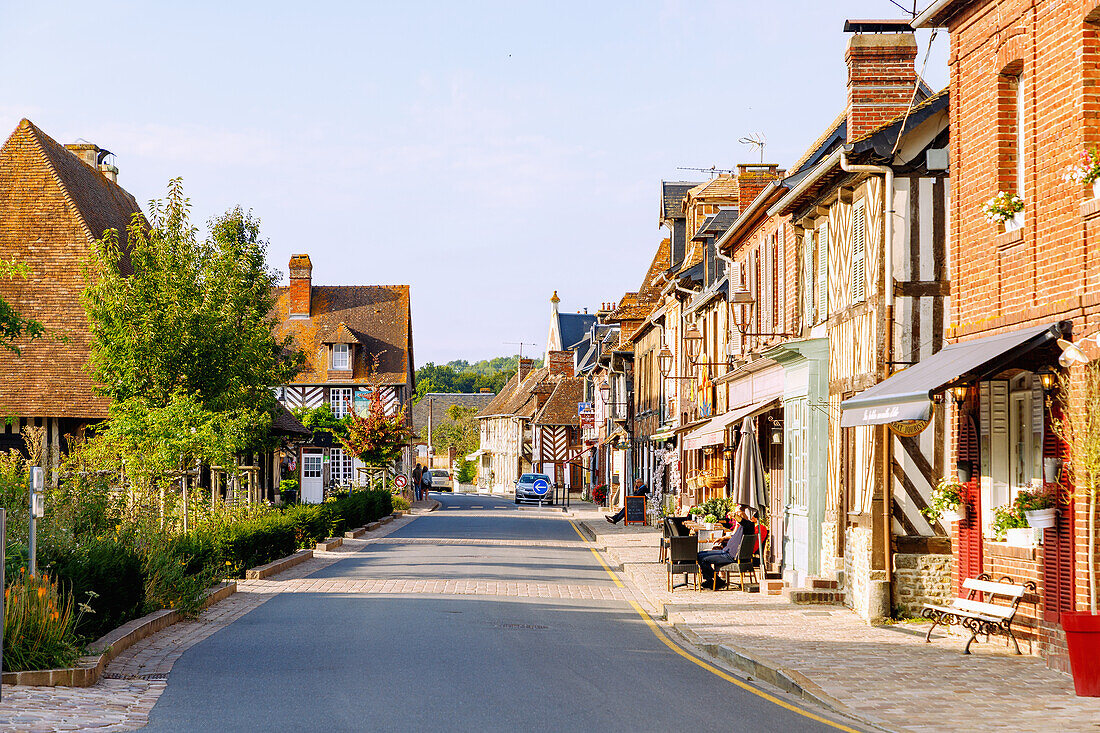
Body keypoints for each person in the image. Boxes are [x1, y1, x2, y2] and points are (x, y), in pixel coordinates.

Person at [697, 506, 756, 589]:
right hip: (725, 551)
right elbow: (733, 535)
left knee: (703, 559)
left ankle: (715, 581)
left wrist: (734, 515)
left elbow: (743, 521)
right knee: (700, 554)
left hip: (730, 556)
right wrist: (723, 538)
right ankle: (713, 581)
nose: (737, 516)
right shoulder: (742, 526)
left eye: (738, 513)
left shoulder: (749, 526)